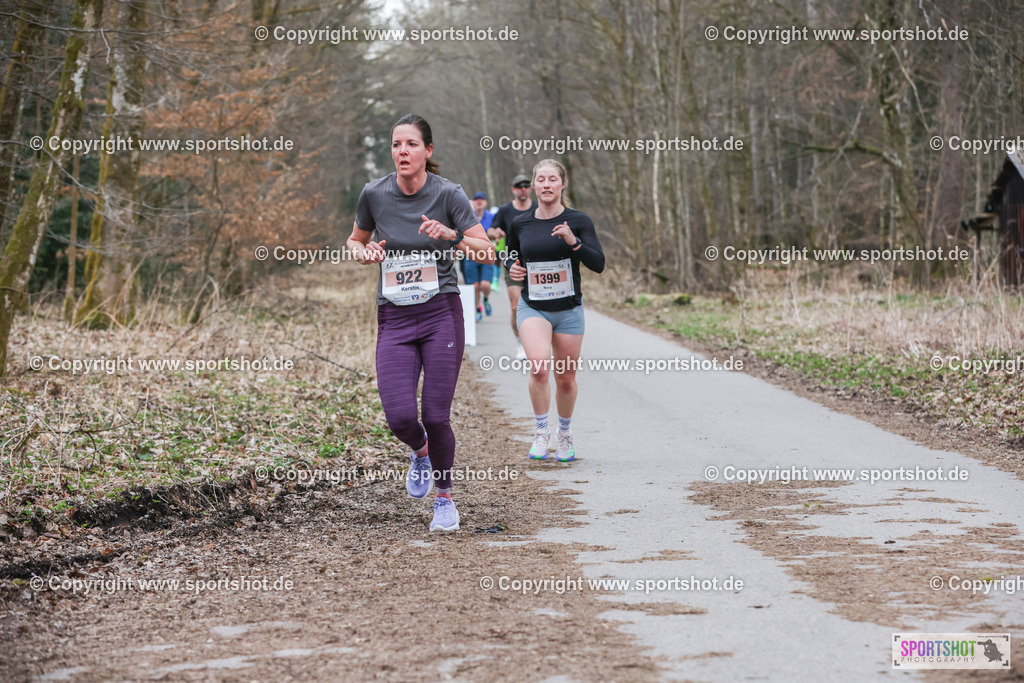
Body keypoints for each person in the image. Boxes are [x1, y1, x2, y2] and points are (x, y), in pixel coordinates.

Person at [347, 114, 495, 531]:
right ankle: (420, 454)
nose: (402, 152)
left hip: (440, 315)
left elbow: (486, 252)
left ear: (428, 151)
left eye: (411, 144)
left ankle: (444, 499)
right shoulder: (374, 194)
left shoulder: (449, 194)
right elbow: (355, 240)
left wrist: (452, 237)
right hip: (393, 317)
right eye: (396, 145)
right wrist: (362, 253)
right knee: (398, 417)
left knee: (435, 413)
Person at [505, 159, 604, 462]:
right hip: (533, 306)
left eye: (552, 180)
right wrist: (512, 267)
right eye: (541, 180)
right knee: (538, 368)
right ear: (533, 185)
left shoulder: (579, 220)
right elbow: (509, 253)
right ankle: (540, 432)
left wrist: (574, 242)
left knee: (565, 378)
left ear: (562, 184)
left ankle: (565, 434)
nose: (546, 185)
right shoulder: (520, 223)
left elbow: (598, 264)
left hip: (568, 310)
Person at [488, 174, 537, 360]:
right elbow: (491, 230)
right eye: (519, 186)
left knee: (540, 305)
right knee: (516, 306)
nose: (523, 188)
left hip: (538, 263)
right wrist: (495, 232)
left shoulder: (538, 207)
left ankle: (538, 342)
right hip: (513, 261)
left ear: (530, 188)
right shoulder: (505, 210)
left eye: (526, 185)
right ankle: (520, 345)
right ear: (513, 189)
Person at [464, 192, 495, 321]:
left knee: (485, 285)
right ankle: (478, 308)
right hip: (470, 253)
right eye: (477, 199)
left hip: (487, 254)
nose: (479, 202)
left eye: (482, 199)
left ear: (485, 202)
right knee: (475, 286)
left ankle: (486, 299)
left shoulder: (491, 216)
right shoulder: (467, 216)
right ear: (473, 202)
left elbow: (497, 232)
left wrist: (496, 236)